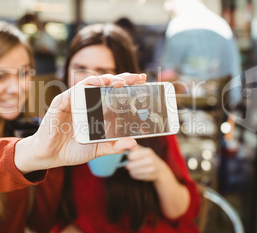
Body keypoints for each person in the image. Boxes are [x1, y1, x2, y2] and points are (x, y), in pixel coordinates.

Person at [0, 19, 144, 232]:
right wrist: (33, 150)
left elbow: (41, 222)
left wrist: (51, 160)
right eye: (0, 77)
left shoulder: (29, 132)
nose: (17, 88)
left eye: (24, 73)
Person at [52, 23, 200, 232]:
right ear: (66, 71)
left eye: (103, 72)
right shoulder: (57, 129)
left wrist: (160, 173)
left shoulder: (148, 120)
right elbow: (48, 215)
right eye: (80, 69)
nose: (90, 80)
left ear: (123, 77)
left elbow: (185, 213)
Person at [160, 0, 242, 108]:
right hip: (219, 108)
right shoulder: (221, 24)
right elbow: (234, 74)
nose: (166, 6)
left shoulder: (179, 25)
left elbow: (166, 75)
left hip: (189, 109)